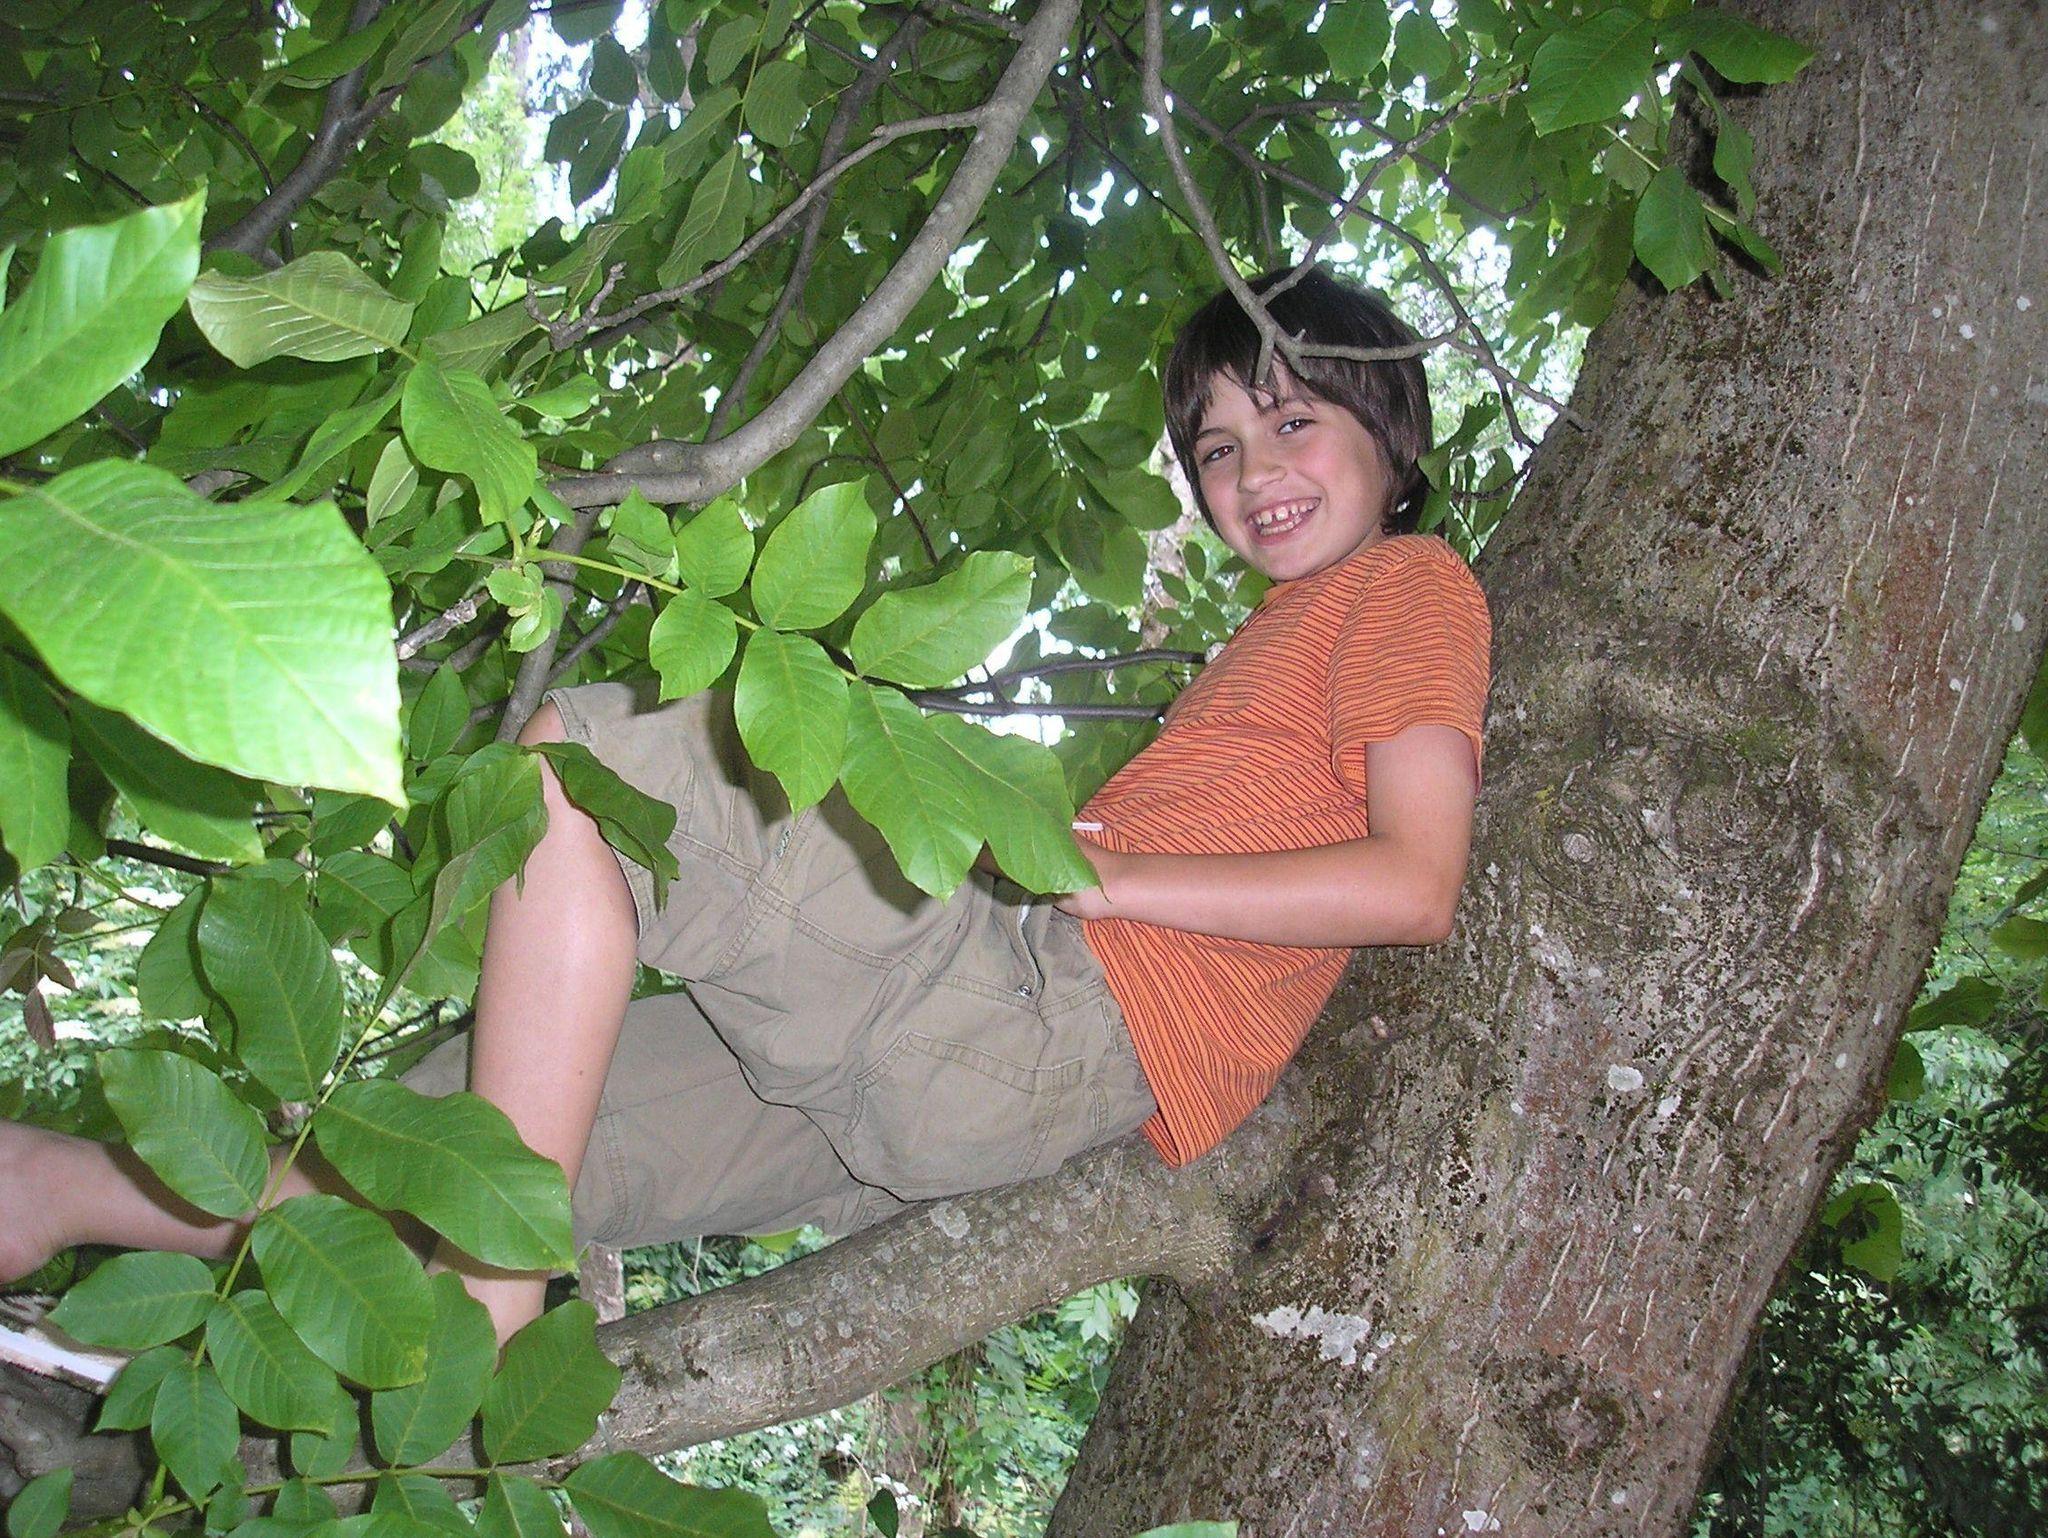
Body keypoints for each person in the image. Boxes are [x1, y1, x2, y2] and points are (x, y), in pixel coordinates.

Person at [0, 266, 1490, 1345]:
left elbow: (1415, 881)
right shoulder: (1285, 633)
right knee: (475, 1130)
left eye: (1291, 422)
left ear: (1394, 426)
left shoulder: (1410, 584)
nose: (1253, 472)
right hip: (976, 1074)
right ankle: (59, 1189)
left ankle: (488, 1321)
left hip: (1050, 1009)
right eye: (1218, 448)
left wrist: (1113, 880)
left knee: (583, 771)